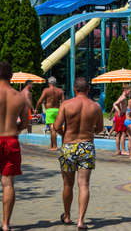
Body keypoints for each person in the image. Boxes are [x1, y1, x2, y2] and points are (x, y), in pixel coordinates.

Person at [54, 77, 103, 230]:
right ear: (88, 89)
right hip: (86, 145)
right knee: (84, 185)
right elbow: (100, 128)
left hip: (69, 145)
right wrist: (89, 132)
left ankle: (67, 216)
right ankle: (81, 221)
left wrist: (65, 135)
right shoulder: (95, 106)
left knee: (68, 184)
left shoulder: (66, 104)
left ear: (74, 89)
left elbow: (56, 126)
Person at [0, 62, 29, 231]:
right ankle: (5, 224)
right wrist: (16, 129)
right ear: (11, 76)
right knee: (8, 184)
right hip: (10, 139)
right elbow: (25, 122)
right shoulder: (19, 97)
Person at [35, 77, 65, 151]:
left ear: (49, 83)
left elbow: (40, 100)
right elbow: (63, 102)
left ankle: (54, 146)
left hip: (49, 111)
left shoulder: (46, 90)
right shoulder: (60, 91)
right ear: (55, 83)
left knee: (52, 129)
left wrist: (36, 108)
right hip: (58, 110)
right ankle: (56, 145)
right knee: (59, 128)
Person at [111, 84, 131, 156]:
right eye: (129, 91)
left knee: (118, 134)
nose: (129, 93)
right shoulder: (123, 97)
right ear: (125, 90)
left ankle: (118, 150)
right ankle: (123, 150)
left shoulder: (123, 97)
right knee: (123, 133)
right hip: (121, 116)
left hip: (118, 116)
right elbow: (114, 104)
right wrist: (119, 111)